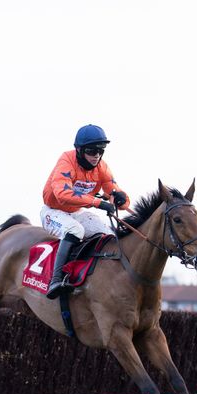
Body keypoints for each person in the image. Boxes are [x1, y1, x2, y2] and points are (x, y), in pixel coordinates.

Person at [41, 124, 131, 299]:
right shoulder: (66, 160)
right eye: (91, 150)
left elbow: (115, 191)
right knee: (76, 230)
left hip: (77, 212)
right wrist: (96, 202)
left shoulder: (101, 167)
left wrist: (121, 199)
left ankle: (97, 280)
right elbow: (62, 194)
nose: (96, 155)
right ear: (79, 150)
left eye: (100, 150)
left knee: (108, 235)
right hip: (53, 212)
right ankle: (56, 280)